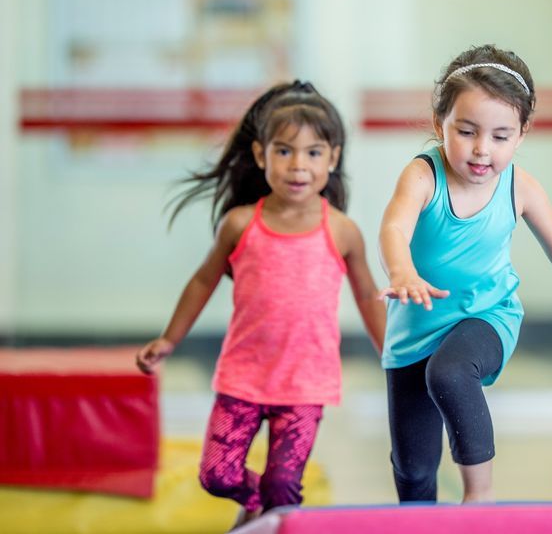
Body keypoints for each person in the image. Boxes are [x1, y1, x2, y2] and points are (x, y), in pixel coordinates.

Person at [378, 44, 552, 504]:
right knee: (413, 472)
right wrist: (403, 271)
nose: (481, 149)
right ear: (440, 125)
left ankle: (481, 497)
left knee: (451, 373)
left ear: (521, 135)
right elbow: (394, 225)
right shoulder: (422, 176)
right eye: (467, 131)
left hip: (487, 317)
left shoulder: (520, 185)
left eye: (499, 136)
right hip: (414, 330)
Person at [136, 81, 385, 529]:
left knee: (284, 484)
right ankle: (260, 506)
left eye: (313, 153)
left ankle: (274, 515)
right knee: (217, 474)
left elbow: (367, 294)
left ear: (333, 157)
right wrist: (169, 338)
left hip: (305, 383)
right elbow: (202, 280)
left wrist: (392, 351)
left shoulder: (342, 231)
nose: (298, 166)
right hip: (244, 377)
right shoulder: (240, 223)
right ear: (259, 154)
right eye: (284, 151)